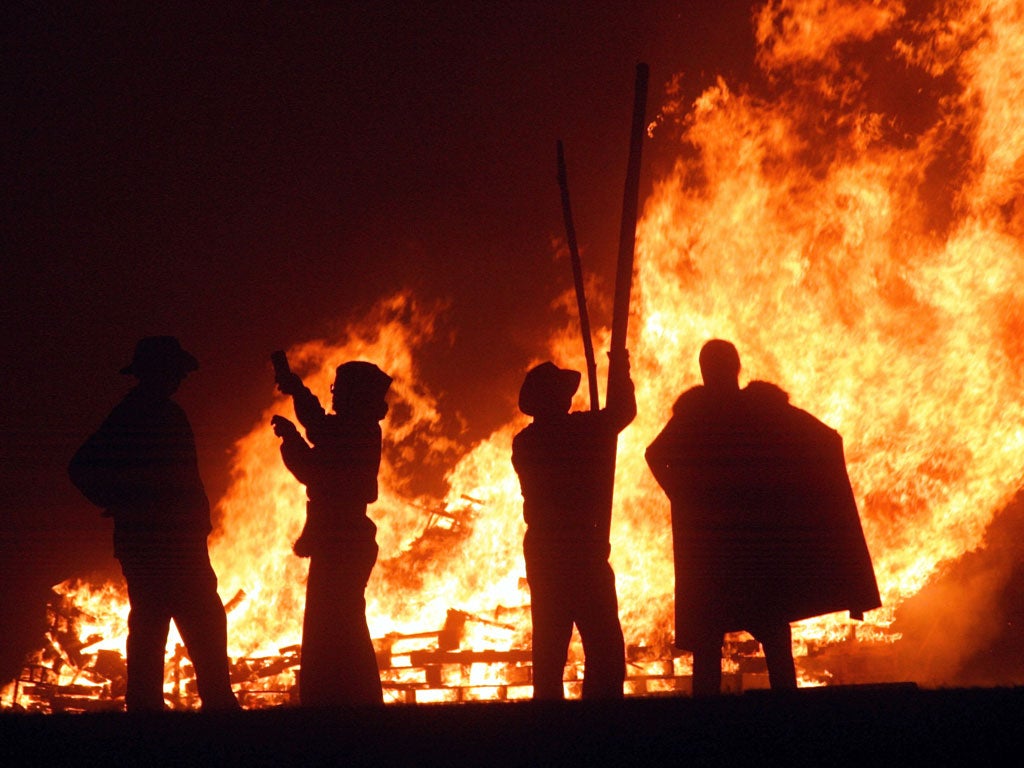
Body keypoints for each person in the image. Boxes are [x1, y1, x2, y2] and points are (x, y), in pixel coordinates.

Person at [645, 339, 881, 695]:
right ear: (736, 369)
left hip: (714, 544)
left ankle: (704, 718)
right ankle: (785, 707)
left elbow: (654, 454)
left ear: (705, 371)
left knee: (711, 635)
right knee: (770, 624)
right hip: (755, 539)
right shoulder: (763, 409)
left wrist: (685, 494)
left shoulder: (695, 414)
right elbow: (826, 440)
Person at [68, 336, 238, 712]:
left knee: (156, 624)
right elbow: (81, 467)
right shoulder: (138, 414)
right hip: (166, 543)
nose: (179, 378)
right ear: (158, 372)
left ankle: (149, 709)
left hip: (160, 542)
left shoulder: (146, 412)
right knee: (198, 623)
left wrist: (120, 501)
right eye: (174, 371)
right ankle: (214, 706)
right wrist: (122, 500)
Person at [511, 350, 636, 699]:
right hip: (581, 549)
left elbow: (611, 419)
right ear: (554, 399)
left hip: (546, 551)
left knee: (549, 647)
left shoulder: (525, 442)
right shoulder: (581, 431)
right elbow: (622, 413)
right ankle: (601, 716)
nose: (568, 399)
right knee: (605, 647)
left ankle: (550, 719)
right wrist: (621, 370)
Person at [272, 356, 392, 706]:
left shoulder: (353, 431)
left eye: (339, 390)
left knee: (333, 627)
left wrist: (292, 439)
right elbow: (318, 425)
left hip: (341, 540)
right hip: (346, 537)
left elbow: (313, 464)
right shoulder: (359, 428)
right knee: (341, 624)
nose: (334, 395)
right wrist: (295, 389)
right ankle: (353, 699)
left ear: (355, 396)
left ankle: (340, 700)